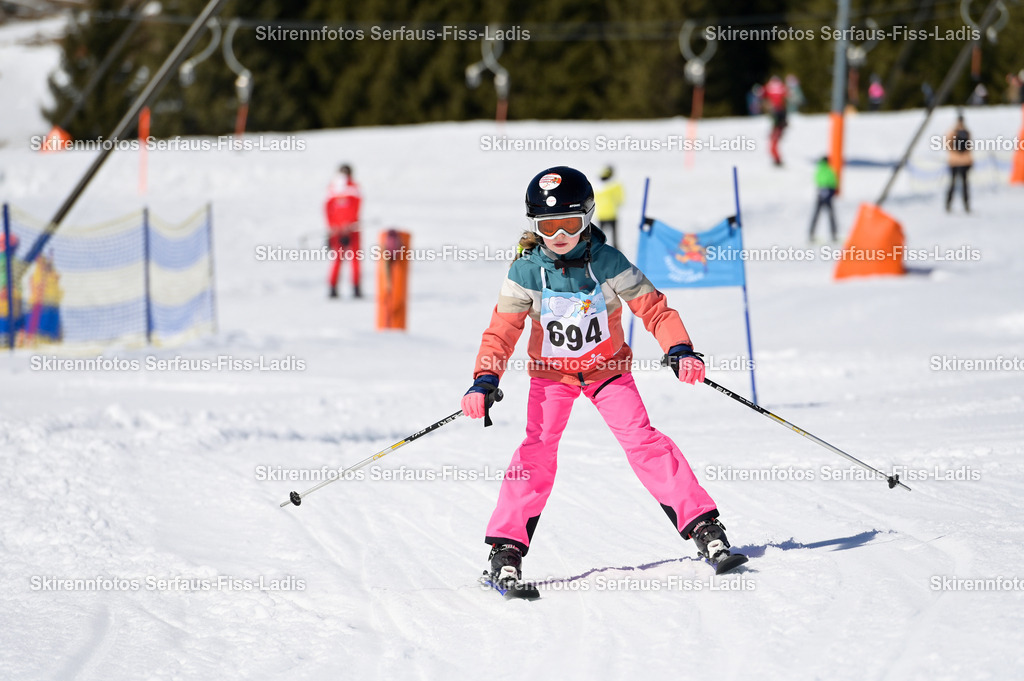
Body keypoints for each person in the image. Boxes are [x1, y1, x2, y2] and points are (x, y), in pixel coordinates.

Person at [462, 166, 742, 590]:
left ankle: (703, 526)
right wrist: (485, 378)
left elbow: (654, 309)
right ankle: (506, 548)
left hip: (607, 372)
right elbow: (502, 331)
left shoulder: (609, 263)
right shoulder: (524, 272)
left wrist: (679, 348)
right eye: (547, 226)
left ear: (588, 217)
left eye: (569, 224)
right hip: (552, 377)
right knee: (536, 450)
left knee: (643, 441)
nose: (559, 235)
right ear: (534, 227)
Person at [325, 163, 362, 298]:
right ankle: (334, 288)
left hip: (350, 229)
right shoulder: (337, 188)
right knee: (340, 260)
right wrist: (332, 228)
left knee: (353, 260)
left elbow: (356, 207)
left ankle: (355, 288)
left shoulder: (350, 188)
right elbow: (328, 209)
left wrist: (336, 227)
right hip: (340, 231)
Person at [593, 165, 625, 249]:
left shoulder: (597, 185)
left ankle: (600, 249)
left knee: (600, 236)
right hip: (612, 213)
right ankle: (616, 250)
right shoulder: (615, 185)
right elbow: (620, 199)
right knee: (614, 237)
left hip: (601, 214)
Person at [946, 115, 973, 213]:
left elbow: (968, 147)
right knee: (956, 184)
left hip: (959, 162)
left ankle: (964, 205)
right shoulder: (961, 132)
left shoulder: (962, 132)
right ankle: (949, 204)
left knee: (961, 185)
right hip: (957, 162)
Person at [809, 156, 838, 242]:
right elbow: (834, 182)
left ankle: (811, 233)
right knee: (831, 215)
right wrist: (832, 191)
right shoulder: (830, 170)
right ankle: (833, 234)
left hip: (820, 194)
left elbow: (816, 181)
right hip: (828, 194)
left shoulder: (819, 170)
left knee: (816, 214)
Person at [763, 76, 788, 166]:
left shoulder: (778, 111)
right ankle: (777, 160)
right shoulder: (779, 110)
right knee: (772, 145)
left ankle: (777, 160)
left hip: (778, 127)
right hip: (779, 125)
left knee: (773, 144)